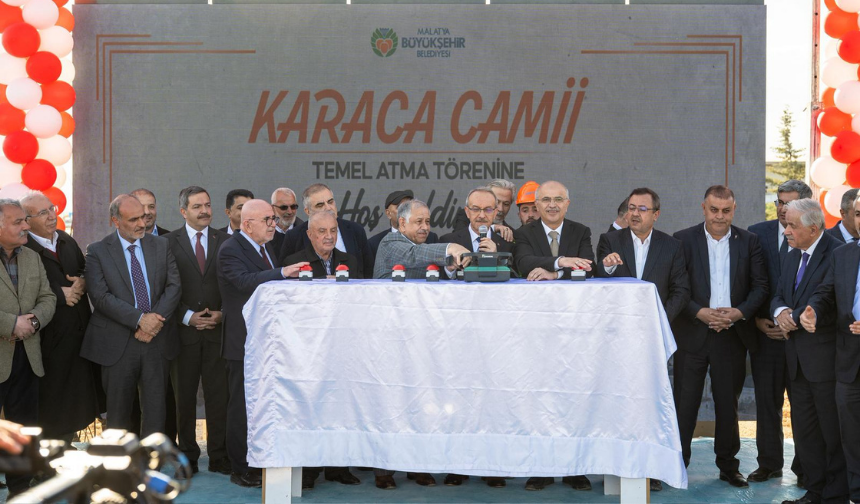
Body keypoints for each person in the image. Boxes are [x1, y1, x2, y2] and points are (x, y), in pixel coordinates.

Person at [672, 185, 768, 488]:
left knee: (728, 405)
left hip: (731, 336)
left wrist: (738, 313)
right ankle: (677, 465)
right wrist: (698, 312)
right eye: (714, 210)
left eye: (726, 211)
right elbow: (677, 286)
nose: (719, 216)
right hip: (693, 333)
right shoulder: (683, 240)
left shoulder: (749, 241)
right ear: (703, 208)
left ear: (734, 210)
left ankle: (728, 466)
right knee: (685, 404)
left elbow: (760, 287)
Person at [217, 199, 308, 488]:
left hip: (268, 341)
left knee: (264, 404)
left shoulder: (267, 246)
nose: (274, 224)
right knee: (241, 406)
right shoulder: (230, 249)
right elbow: (245, 281)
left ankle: (261, 461)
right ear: (247, 224)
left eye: (273, 219)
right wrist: (283, 273)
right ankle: (240, 466)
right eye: (268, 220)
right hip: (242, 340)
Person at [81, 194, 181, 437]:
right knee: (118, 413)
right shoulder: (97, 251)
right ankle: (119, 467)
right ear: (115, 221)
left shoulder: (161, 245)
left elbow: (174, 286)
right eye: (133, 219)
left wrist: (153, 321)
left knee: (156, 409)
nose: (141, 224)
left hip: (156, 339)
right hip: (118, 343)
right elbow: (101, 297)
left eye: (144, 218)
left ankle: (151, 465)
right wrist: (139, 319)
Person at [770, 199, 847, 504]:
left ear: (813, 229)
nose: (785, 230)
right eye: (785, 224)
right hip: (796, 361)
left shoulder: (836, 254)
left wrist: (796, 317)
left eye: (791, 226)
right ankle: (814, 492)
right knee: (805, 434)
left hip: (825, 361)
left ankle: (835, 495)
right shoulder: (791, 255)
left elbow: (828, 299)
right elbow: (778, 293)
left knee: (832, 433)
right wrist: (782, 312)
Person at [21, 192, 100, 442]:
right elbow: (19, 292)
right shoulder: (22, 248)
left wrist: (83, 282)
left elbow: (82, 272)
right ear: (27, 219)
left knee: (74, 400)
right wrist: (59, 294)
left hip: (76, 337)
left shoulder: (65, 240)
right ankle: (44, 465)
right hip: (45, 341)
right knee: (49, 403)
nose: (51, 215)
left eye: (52, 209)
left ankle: (64, 451)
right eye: (42, 212)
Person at [747, 178, 811, 486]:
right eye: (779, 202)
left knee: (802, 406)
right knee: (767, 403)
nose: (783, 209)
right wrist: (758, 320)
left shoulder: (817, 239)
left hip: (802, 338)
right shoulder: (756, 233)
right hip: (765, 335)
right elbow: (748, 281)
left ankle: (805, 467)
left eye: (789, 203)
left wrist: (793, 321)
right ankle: (769, 463)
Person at [164, 186, 231, 477]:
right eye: (197, 206)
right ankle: (187, 457)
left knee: (220, 398)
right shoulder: (166, 243)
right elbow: (163, 288)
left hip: (218, 333)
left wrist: (222, 315)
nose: (204, 210)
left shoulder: (227, 241)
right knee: (184, 400)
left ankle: (219, 456)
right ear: (183, 211)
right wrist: (187, 316)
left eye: (207, 204)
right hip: (183, 335)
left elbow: (234, 286)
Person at [800, 193, 860, 504]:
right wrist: (813, 310)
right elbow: (827, 293)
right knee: (850, 439)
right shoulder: (844, 254)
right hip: (849, 365)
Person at [0, 199, 55, 497]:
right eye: (18, 222)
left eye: (25, 220)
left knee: (21, 430)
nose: (26, 226)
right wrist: (11, 324)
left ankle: (19, 491)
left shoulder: (32, 257)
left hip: (27, 357)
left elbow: (48, 298)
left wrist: (32, 323)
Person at [596, 187, 690, 325]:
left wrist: (661, 318)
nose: (635, 214)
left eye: (642, 209)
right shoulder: (610, 240)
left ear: (656, 215)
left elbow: (681, 290)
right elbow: (598, 279)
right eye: (632, 208)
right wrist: (607, 267)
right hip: (617, 323)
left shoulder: (672, 246)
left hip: (656, 324)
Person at [277, 184, 373, 277]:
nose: (328, 208)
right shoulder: (294, 236)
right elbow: (284, 275)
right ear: (308, 211)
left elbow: (367, 272)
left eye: (330, 202)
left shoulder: (355, 230)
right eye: (320, 205)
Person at [513, 180, 595, 283]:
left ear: (567, 204)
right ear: (537, 205)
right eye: (546, 199)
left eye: (558, 199)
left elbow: (588, 268)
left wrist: (556, 274)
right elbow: (524, 263)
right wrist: (560, 261)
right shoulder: (524, 233)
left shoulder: (580, 231)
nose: (552, 205)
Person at [372, 199, 470, 281]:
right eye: (419, 221)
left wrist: (449, 267)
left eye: (427, 222)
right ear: (402, 223)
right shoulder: (389, 242)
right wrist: (451, 247)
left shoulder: (425, 246)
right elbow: (413, 254)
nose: (425, 227)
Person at [284, 210, 361, 277]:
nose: (329, 236)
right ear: (310, 234)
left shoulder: (350, 261)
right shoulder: (294, 264)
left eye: (333, 230)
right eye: (322, 231)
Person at [440, 187, 514, 256]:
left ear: (495, 213)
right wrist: (450, 269)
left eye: (488, 209)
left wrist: (495, 257)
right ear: (467, 212)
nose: (482, 216)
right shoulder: (448, 241)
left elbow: (509, 269)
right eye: (476, 209)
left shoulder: (506, 245)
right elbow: (441, 269)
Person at [368, 190, 439, 258]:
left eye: (407, 208)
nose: (404, 212)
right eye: (399, 207)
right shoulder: (375, 242)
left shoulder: (431, 238)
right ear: (388, 213)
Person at [451, 179, 516, 242]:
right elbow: (458, 238)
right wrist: (493, 228)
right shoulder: (466, 215)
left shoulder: (512, 234)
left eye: (506, 204)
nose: (500, 209)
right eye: (497, 202)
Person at [270, 187, 304, 253]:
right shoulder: (263, 233)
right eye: (284, 207)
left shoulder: (305, 232)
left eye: (293, 207)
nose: (290, 212)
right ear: (273, 208)